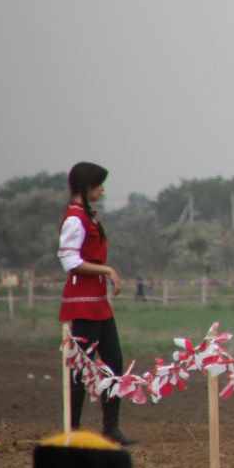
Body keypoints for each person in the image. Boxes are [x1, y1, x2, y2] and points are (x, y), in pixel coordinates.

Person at [56, 161, 136, 444]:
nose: (103, 190)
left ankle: (111, 427)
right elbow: (69, 261)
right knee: (81, 366)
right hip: (83, 303)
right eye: (99, 185)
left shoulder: (88, 217)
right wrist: (107, 270)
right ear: (87, 186)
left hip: (99, 303)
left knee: (113, 361)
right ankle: (74, 429)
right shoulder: (75, 219)